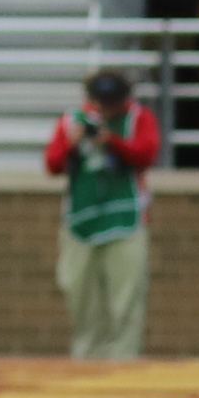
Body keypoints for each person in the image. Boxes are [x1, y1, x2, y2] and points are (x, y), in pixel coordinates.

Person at [46, 69, 156, 359]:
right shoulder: (73, 120)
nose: (107, 107)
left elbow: (147, 153)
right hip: (82, 219)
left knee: (126, 295)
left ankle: (124, 357)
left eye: (113, 100)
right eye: (102, 100)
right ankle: (87, 356)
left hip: (125, 219)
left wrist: (113, 142)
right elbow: (52, 163)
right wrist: (72, 144)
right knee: (79, 292)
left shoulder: (138, 117)